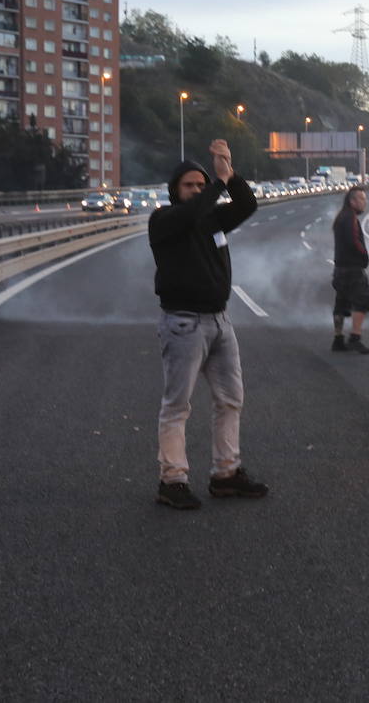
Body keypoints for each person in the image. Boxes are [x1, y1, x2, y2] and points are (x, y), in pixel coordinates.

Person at [149, 140, 265, 510]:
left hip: (220, 321)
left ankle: (226, 474)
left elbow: (247, 205)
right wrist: (215, 185)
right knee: (177, 406)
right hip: (183, 323)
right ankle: (172, 480)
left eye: (201, 185)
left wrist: (229, 176)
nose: (198, 190)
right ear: (175, 190)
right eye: (190, 185)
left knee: (231, 400)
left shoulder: (213, 220)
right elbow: (191, 214)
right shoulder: (164, 221)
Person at [331, 186, 369, 354]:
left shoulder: (341, 217)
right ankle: (355, 338)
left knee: (341, 303)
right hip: (352, 268)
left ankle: (338, 339)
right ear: (352, 201)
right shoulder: (350, 219)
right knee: (363, 300)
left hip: (340, 268)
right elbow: (355, 242)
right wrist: (365, 256)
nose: (365, 202)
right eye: (362, 199)